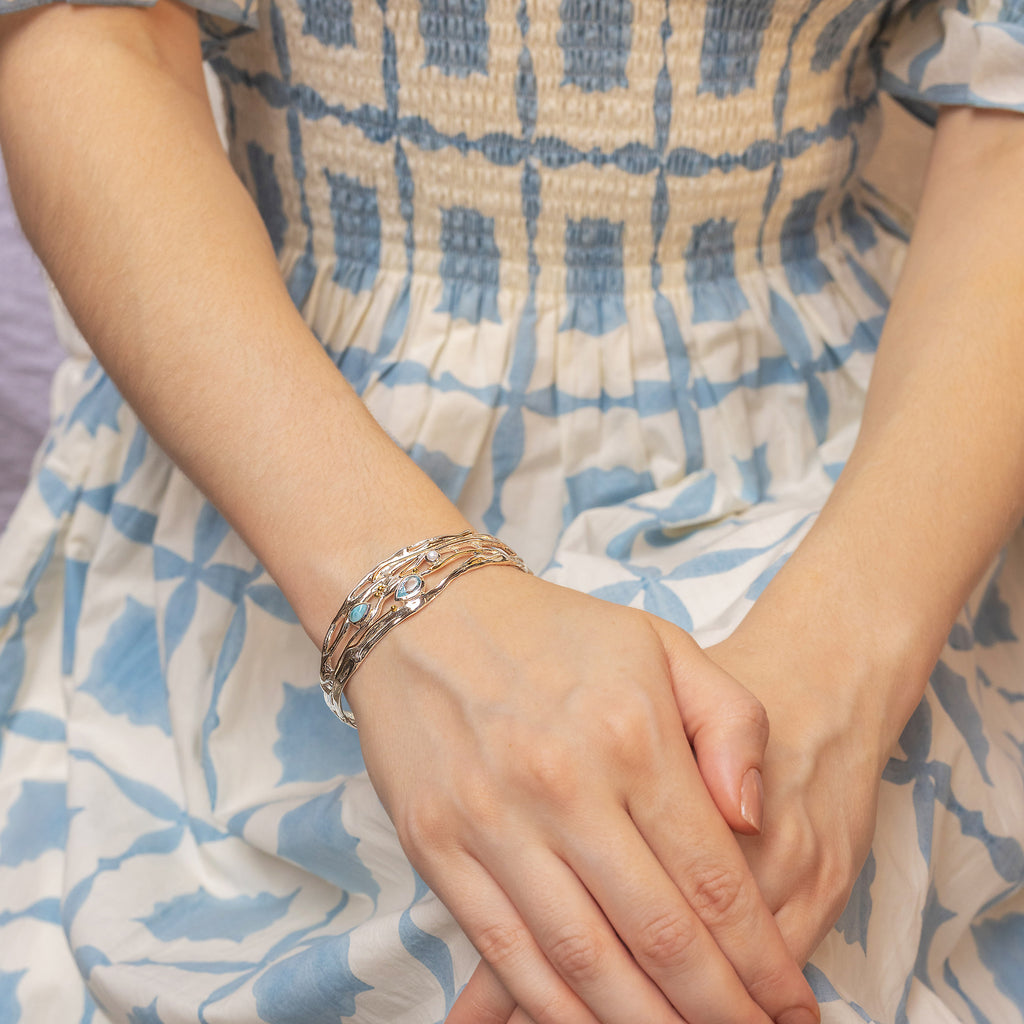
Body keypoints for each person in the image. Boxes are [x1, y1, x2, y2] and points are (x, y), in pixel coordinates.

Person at [0, 1, 1022, 1021]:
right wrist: (401, 601)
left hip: (877, 471)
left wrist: (844, 671)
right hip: (271, 431)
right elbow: (84, 29)